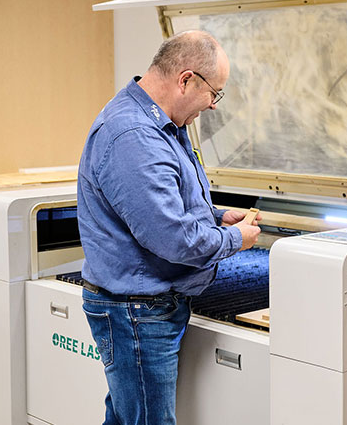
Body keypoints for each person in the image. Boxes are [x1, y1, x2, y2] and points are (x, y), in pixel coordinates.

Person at [77, 30, 261, 424]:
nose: (213, 105)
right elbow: (173, 239)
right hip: (137, 312)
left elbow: (163, 204)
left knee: (129, 416)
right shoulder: (133, 135)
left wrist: (214, 217)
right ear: (185, 79)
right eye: (215, 93)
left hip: (146, 308)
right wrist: (236, 238)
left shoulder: (163, 125)